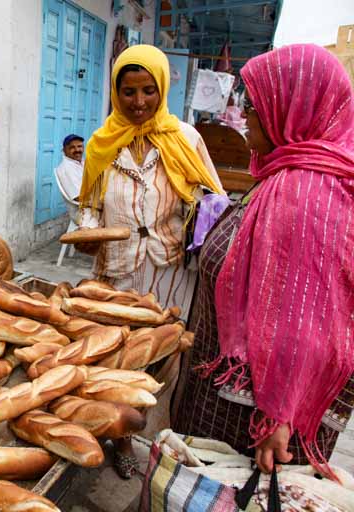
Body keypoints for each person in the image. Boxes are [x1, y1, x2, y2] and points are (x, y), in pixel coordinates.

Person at [173, 44, 354, 480]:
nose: (245, 115)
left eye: (253, 104)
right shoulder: (285, 172)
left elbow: (310, 318)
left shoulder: (308, 193)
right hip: (233, 397)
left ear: (291, 107)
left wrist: (279, 416)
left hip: (254, 419)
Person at [76, 44, 225, 479]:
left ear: (161, 89)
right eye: (128, 92)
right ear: (114, 93)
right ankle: (120, 438)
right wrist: (86, 230)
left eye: (148, 91)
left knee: (164, 364)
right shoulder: (102, 143)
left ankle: (156, 444)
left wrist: (195, 217)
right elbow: (88, 206)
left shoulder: (186, 139)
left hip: (169, 271)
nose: (138, 102)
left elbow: (211, 203)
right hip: (117, 273)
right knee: (115, 361)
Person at [55, 134, 84, 202]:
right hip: (85, 209)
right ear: (64, 150)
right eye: (72, 147)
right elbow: (78, 197)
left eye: (79, 146)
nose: (77, 150)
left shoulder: (81, 162)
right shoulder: (66, 169)